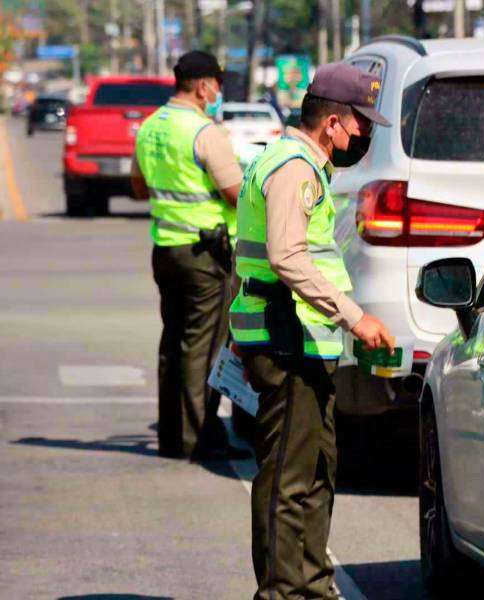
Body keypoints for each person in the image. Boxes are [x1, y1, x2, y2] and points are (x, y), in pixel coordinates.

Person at [228, 62, 394, 600]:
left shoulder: (289, 161)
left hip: (297, 339)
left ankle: (311, 586)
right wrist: (354, 315)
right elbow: (285, 256)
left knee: (317, 470)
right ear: (333, 122)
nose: (365, 136)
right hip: (286, 340)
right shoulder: (295, 168)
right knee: (287, 478)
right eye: (362, 125)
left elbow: (245, 249)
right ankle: (282, 591)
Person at [131, 50, 247, 461]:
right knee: (205, 347)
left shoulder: (150, 128)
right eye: (217, 84)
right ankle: (197, 438)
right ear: (202, 87)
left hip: (166, 249)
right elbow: (236, 194)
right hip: (205, 255)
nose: (218, 91)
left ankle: (172, 435)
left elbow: (139, 189)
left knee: (173, 342)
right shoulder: (205, 132)